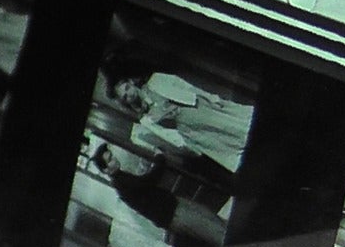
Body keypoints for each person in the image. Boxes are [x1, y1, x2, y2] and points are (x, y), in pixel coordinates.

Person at [100, 57, 254, 173]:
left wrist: (210, 98)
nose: (130, 95)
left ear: (131, 82)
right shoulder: (145, 118)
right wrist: (188, 144)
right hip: (191, 132)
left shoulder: (156, 81)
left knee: (233, 127)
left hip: (198, 110)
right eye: (125, 97)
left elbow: (187, 87)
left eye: (127, 88)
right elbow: (166, 136)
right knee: (228, 147)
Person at [90, 144, 226, 247]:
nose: (114, 159)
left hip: (172, 208)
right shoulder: (121, 183)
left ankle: (234, 241)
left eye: (112, 156)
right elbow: (149, 181)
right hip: (172, 212)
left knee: (210, 221)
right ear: (106, 170)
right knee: (212, 228)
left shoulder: (121, 179)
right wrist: (159, 158)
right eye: (110, 160)